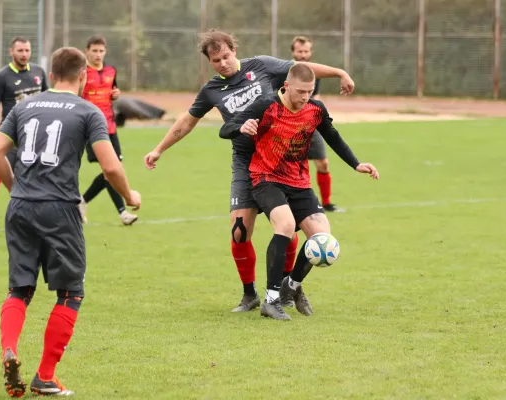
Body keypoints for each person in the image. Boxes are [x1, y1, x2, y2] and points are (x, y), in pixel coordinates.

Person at [144, 29, 355, 312]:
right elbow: (187, 121)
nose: (223, 63)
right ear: (209, 61)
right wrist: (159, 149)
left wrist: (339, 72)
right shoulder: (211, 90)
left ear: (234, 49)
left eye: (227, 56)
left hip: (281, 161)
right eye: (216, 60)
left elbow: (301, 71)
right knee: (240, 232)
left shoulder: (262, 65)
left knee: (288, 230)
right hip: (245, 163)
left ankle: (287, 288)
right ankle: (249, 295)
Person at [0, 46, 141, 397]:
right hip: (59, 210)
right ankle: (44, 376)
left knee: (19, 288)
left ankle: (9, 348)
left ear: (51, 75)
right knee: (71, 292)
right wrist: (131, 197)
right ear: (84, 75)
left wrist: (17, 188)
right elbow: (110, 165)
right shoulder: (88, 110)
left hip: (22, 206)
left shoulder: (24, 107)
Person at [219, 63, 379, 320]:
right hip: (266, 178)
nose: (306, 97)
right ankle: (270, 301)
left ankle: (290, 286)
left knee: (323, 238)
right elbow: (224, 129)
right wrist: (240, 127)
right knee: (284, 225)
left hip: (299, 181)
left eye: (310, 91)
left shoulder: (315, 109)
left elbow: (332, 136)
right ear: (286, 86)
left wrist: (356, 163)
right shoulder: (266, 106)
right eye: (301, 91)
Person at [0, 37, 48, 232]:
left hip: (37, 135)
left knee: (41, 175)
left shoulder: (39, 72)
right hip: (12, 135)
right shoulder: (3, 76)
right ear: (11, 52)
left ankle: (39, 216)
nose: (24, 54)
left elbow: (49, 97)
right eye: (20, 50)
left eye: (27, 50)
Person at [78, 36, 137, 225]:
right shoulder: (82, 73)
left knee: (113, 170)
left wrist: (115, 94)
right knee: (109, 170)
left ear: (105, 51)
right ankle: (122, 213)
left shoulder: (111, 71)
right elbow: (77, 97)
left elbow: (113, 90)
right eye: (94, 50)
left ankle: (83, 202)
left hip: (110, 128)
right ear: (86, 51)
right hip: (91, 129)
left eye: (101, 51)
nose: (97, 54)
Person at [288, 36, 343, 212]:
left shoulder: (315, 72)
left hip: (310, 123)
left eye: (306, 51)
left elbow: (315, 98)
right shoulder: (283, 70)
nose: (303, 55)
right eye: (299, 51)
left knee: (323, 163)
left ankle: (327, 203)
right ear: (293, 52)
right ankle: (299, 203)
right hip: (289, 126)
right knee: (295, 167)